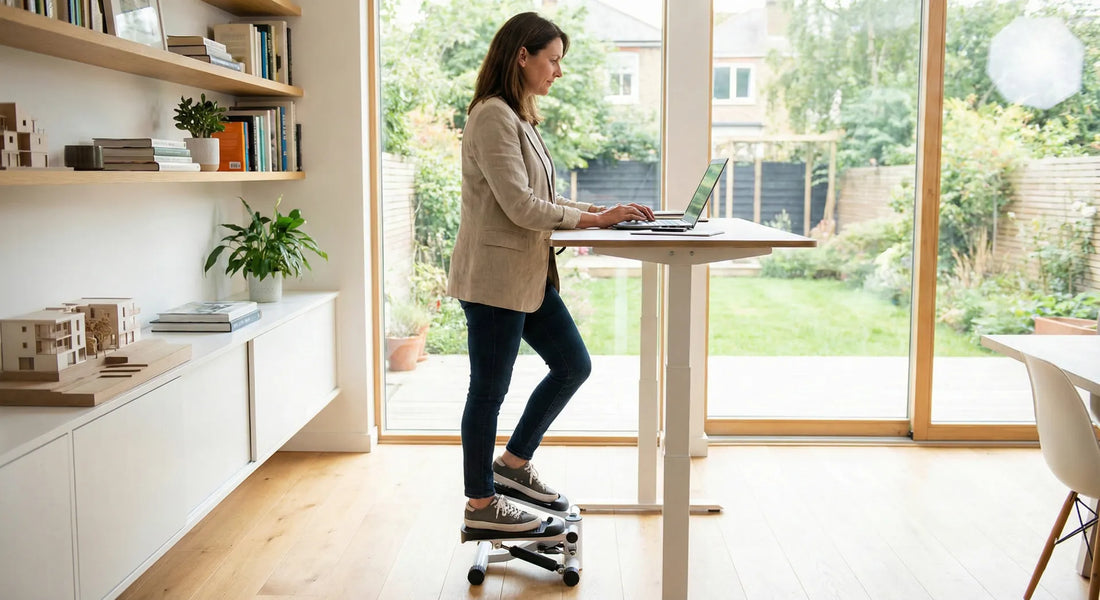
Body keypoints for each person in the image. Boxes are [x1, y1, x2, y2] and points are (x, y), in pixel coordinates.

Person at [447, 11, 655, 532]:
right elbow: (520, 206)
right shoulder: (492, 115)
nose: (558, 72)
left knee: (572, 366)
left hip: (527, 277)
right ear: (523, 55)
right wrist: (591, 219)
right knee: (488, 391)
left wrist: (599, 215)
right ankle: (481, 505)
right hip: (496, 279)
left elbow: (541, 197)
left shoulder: (519, 117)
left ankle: (513, 466)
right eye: (553, 59)